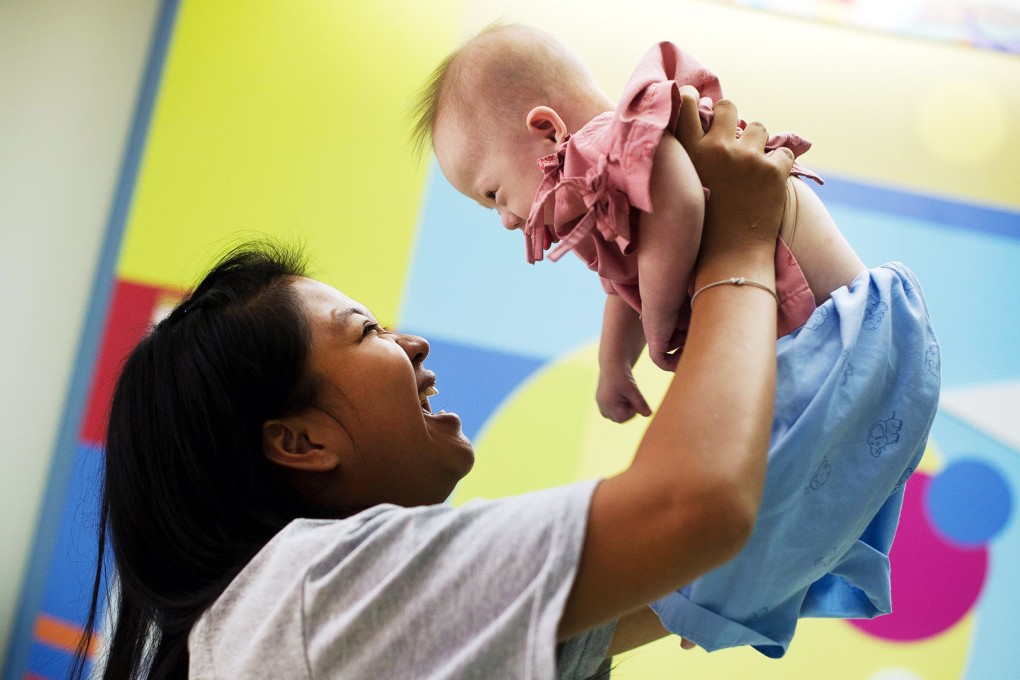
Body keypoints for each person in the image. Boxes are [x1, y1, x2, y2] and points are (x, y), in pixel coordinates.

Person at [72, 95, 795, 678]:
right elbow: (697, 509)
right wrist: (741, 238)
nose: (410, 340)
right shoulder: (314, 598)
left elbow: (704, 573)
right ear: (299, 439)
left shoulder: (291, 624)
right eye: (366, 332)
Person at [414, 24, 940, 656]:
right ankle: (721, 585)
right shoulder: (606, 192)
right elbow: (624, 283)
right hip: (844, 360)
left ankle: (713, 586)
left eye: (494, 193)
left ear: (548, 131)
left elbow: (682, 203)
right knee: (762, 497)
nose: (504, 217)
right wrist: (615, 361)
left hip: (844, 338)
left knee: (744, 497)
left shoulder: (620, 137)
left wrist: (663, 319)